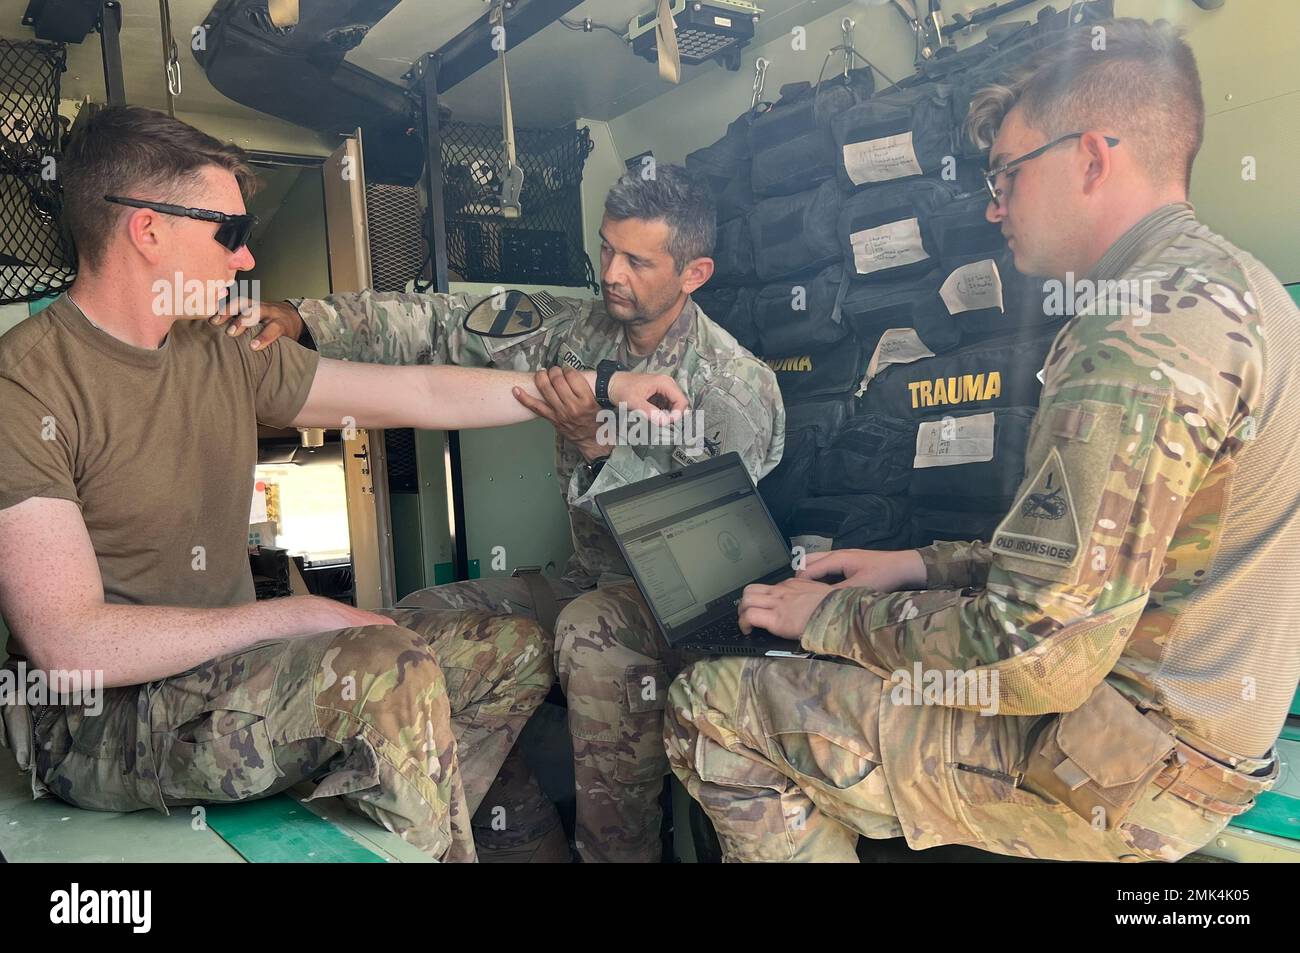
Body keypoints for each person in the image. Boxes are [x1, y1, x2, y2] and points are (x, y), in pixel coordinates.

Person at [665, 17, 1297, 862]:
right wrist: (922, 567)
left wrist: (833, 619)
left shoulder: (1136, 336)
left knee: (710, 703)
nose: (992, 205)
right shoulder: (1235, 287)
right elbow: (1098, 566)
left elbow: (1036, 657)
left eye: (1006, 173)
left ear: (1093, 158)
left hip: (1121, 770)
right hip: (1184, 740)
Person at [0, 106, 685, 862]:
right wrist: (284, 617)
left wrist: (604, 381)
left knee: (515, 649)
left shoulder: (221, 348)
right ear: (148, 229)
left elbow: (418, 395)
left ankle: (399, 824)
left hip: (224, 678)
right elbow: (68, 644)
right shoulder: (26, 383)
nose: (244, 256)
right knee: (389, 670)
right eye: (228, 231)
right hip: (101, 721)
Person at [218, 164, 785, 861]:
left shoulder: (737, 385)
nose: (612, 272)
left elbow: (705, 540)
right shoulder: (578, 333)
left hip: (689, 608)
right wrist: (308, 319)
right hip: (587, 579)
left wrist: (598, 449)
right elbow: (447, 324)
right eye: (606, 248)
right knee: (409, 624)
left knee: (590, 634)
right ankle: (522, 838)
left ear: (694, 272)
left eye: (638, 261)